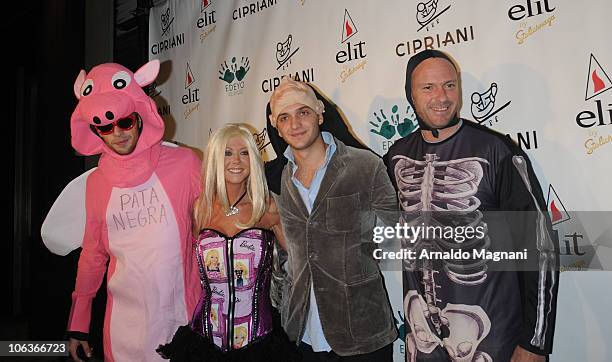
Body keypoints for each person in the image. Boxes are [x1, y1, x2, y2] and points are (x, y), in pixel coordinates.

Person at [384, 50, 559, 361]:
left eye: (450, 85)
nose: (442, 96)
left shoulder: (497, 151)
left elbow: (540, 245)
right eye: (428, 87)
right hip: (421, 337)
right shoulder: (396, 156)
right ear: (410, 94)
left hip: (493, 338)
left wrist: (535, 342)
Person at [59, 60, 202, 361]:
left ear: (139, 117)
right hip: (124, 330)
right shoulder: (96, 183)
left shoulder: (186, 164)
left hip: (183, 320)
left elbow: (212, 230)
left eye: (124, 122)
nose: (117, 133)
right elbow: (93, 254)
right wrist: (78, 323)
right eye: (105, 126)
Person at [267, 77, 398, 361]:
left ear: (319, 113)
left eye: (303, 112)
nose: (295, 124)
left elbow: (396, 232)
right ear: (275, 124)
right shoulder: (277, 179)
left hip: (362, 332)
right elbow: (287, 250)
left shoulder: (365, 165)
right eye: (284, 117)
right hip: (302, 333)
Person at [157, 123, 298, 362]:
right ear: (214, 159)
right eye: (227, 153)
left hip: (259, 343)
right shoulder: (198, 209)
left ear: (254, 159)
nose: (236, 160)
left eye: (244, 153)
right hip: (204, 342)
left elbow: (302, 261)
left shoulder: (268, 207)